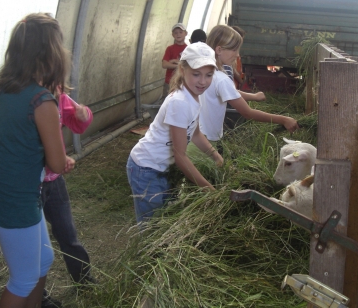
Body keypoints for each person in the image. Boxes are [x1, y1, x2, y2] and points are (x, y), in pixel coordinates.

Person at [0, 13, 69, 308]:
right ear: (50, 53)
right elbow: (57, 165)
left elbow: (13, 143)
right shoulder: (41, 101)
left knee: (43, 260)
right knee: (22, 278)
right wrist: (62, 156)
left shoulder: (0, 90)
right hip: (15, 201)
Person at [127, 42, 223, 224]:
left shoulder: (194, 96)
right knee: (152, 225)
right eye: (196, 74)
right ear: (182, 69)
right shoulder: (179, 102)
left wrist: (216, 156)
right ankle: (148, 251)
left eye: (208, 75)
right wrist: (208, 189)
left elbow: (195, 134)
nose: (203, 81)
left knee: (164, 217)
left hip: (162, 167)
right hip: (146, 167)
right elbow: (180, 156)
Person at [40, 86, 94, 306]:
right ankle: (39, 297)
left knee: (67, 233)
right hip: (32, 183)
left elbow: (77, 122)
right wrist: (56, 161)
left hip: (54, 179)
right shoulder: (30, 100)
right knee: (37, 243)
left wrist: (84, 115)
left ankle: (84, 279)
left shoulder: (59, 95)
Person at [200, 25, 299, 144]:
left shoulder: (205, 72)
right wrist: (284, 119)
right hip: (207, 142)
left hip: (197, 137)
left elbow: (229, 91)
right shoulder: (221, 78)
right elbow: (248, 113)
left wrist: (254, 96)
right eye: (234, 50)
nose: (237, 55)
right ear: (219, 50)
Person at [160, 23, 188, 101]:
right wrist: (180, 64)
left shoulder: (188, 49)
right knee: (166, 102)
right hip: (169, 82)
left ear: (186, 33)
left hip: (183, 82)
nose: (178, 34)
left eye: (180, 32)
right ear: (172, 35)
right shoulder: (170, 48)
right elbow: (164, 64)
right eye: (175, 33)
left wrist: (173, 62)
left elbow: (189, 65)